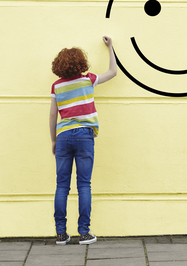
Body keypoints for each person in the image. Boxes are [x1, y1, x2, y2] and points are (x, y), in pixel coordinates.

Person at [49, 36, 117, 245]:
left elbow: (53, 115)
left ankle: (61, 234)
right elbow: (113, 72)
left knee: (62, 185)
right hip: (85, 136)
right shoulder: (88, 80)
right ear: (81, 63)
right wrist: (111, 47)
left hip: (63, 136)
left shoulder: (57, 87)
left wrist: (54, 140)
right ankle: (84, 233)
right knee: (84, 184)